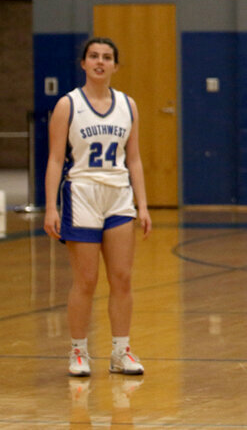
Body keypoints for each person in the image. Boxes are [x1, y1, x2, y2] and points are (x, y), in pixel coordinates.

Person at [43, 37, 152, 377]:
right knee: (86, 281)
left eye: (107, 57)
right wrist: (50, 207)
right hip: (83, 194)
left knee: (121, 277)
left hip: (119, 195)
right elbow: (55, 159)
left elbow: (133, 158)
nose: (100, 62)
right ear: (84, 64)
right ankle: (78, 352)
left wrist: (143, 204)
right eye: (94, 56)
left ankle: (121, 352)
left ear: (115, 66)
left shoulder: (128, 105)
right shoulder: (68, 105)